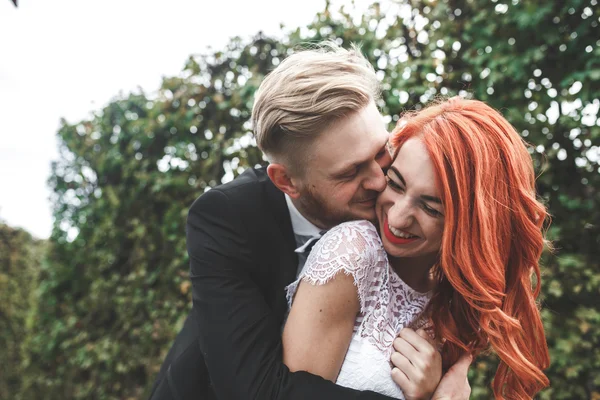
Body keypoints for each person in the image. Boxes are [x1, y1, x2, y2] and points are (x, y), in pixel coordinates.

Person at [149, 43, 471, 400]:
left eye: (380, 151)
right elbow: (255, 392)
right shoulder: (227, 217)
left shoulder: (399, 218)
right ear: (287, 181)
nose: (381, 182)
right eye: (350, 172)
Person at [284, 97, 551, 399]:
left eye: (431, 208)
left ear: (471, 226)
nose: (397, 217)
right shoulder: (353, 251)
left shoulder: (450, 307)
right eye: (395, 184)